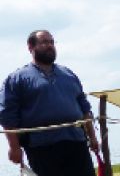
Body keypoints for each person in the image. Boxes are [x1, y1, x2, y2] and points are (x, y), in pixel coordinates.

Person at [0, 30, 100, 176]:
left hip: (76, 141)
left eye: (52, 42)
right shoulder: (17, 79)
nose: (49, 46)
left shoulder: (68, 74)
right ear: (31, 47)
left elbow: (85, 108)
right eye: (44, 42)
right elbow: (7, 116)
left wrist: (92, 137)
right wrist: (14, 147)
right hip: (41, 146)